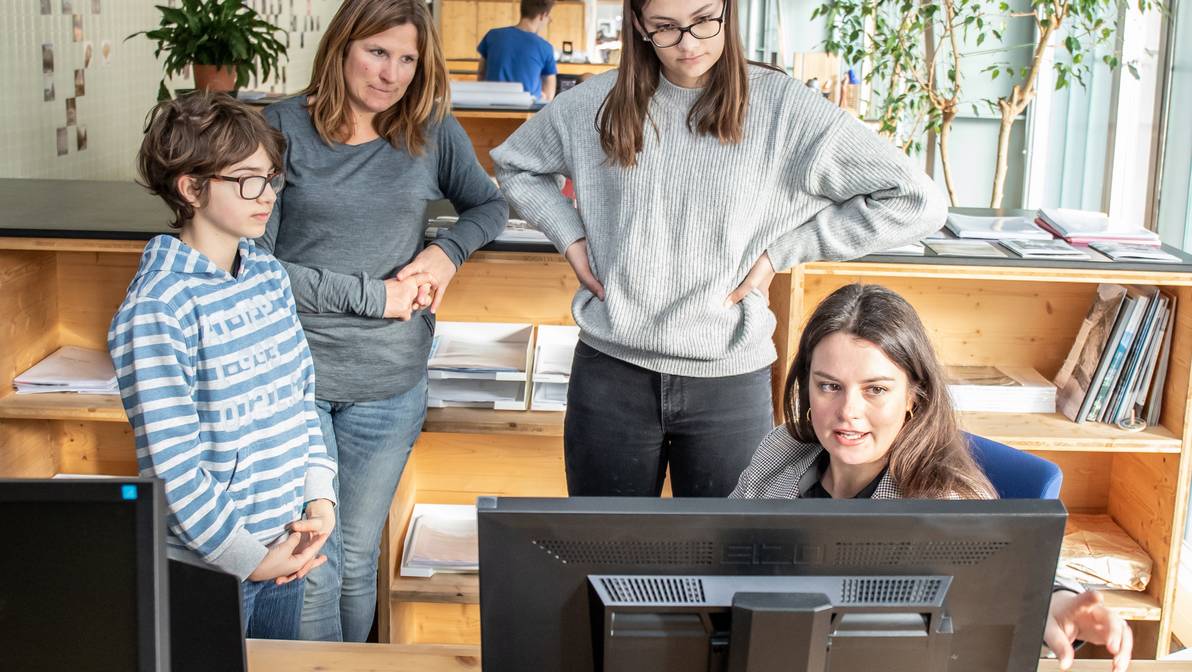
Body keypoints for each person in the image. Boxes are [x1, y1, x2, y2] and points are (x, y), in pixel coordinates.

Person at [491, 0, 946, 498]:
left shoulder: (785, 109)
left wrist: (784, 251)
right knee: (604, 555)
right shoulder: (595, 103)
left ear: (729, 12)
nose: (688, 43)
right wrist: (570, 235)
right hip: (611, 374)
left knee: (729, 558)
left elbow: (916, 201)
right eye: (665, 27)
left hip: (728, 377)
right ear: (639, 26)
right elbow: (515, 165)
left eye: (705, 21)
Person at [257, 0, 507, 642]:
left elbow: (488, 205)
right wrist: (377, 297)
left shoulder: (430, 129)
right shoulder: (277, 128)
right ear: (341, 46)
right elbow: (260, 267)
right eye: (376, 52)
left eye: (407, 59)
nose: (391, 74)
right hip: (294, 378)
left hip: (391, 382)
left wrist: (445, 252)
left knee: (357, 559)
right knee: (312, 559)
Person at [730, 283, 1133, 672]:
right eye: (829, 386)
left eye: (876, 390)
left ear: (912, 396)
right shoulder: (780, 449)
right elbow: (719, 550)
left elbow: (1007, 572)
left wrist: (1054, 601)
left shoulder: (947, 499)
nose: (848, 410)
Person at [109, 92, 337, 639]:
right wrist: (248, 560)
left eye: (271, 177)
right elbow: (174, 469)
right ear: (191, 188)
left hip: (285, 549)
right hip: (213, 570)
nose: (268, 195)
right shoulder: (159, 308)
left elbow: (300, 403)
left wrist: (319, 497)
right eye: (247, 179)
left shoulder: (268, 275)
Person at [477, 0, 559, 101]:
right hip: (528, 112)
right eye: (548, 18)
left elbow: (481, 73)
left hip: (490, 107)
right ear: (543, 15)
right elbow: (549, 95)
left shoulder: (492, 36)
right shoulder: (545, 48)